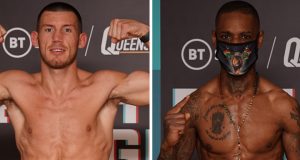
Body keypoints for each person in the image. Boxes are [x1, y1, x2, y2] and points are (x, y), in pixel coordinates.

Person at [0, 2, 149, 160]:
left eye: (67, 30)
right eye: (49, 29)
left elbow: (158, 87)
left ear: (82, 40)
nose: (57, 38)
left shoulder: (103, 86)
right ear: (35, 39)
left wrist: (146, 33)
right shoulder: (15, 86)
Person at [159, 1, 300, 160]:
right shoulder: (196, 107)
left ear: (259, 39)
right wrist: (167, 145)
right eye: (226, 36)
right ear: (214, 38)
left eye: (245, 36)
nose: (235, 44)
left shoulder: (283, 107)